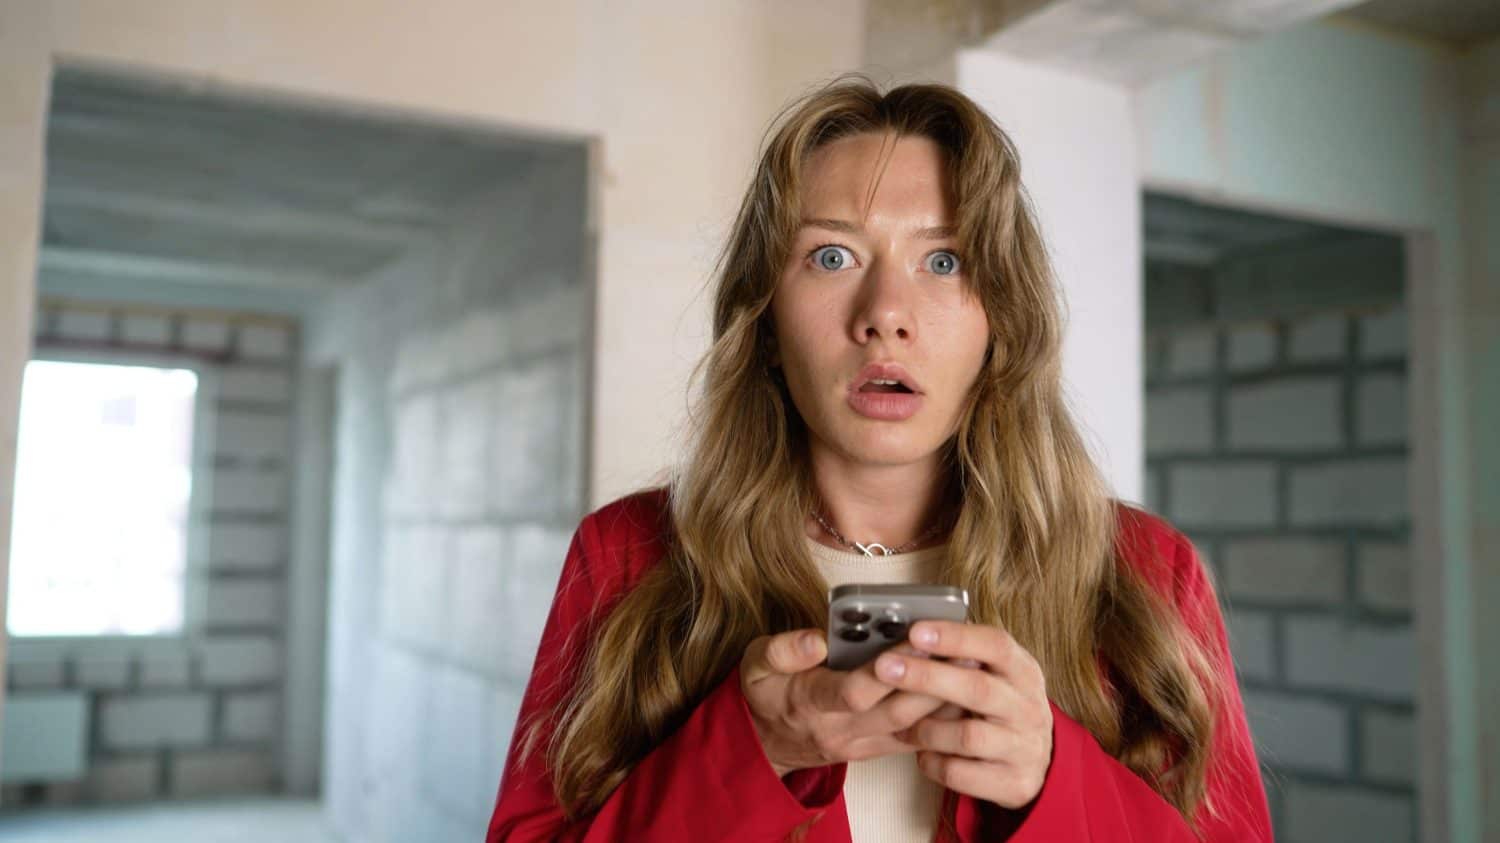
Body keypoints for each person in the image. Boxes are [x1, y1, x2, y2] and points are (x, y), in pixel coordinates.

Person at [485, 77, 1273, 842]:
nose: (885, 315)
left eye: (945, 260)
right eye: (831, 257)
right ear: (763, 317)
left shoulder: (1146, 571)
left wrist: (1052, 781)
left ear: (1003, 317)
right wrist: (748, 756)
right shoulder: (627, 554)